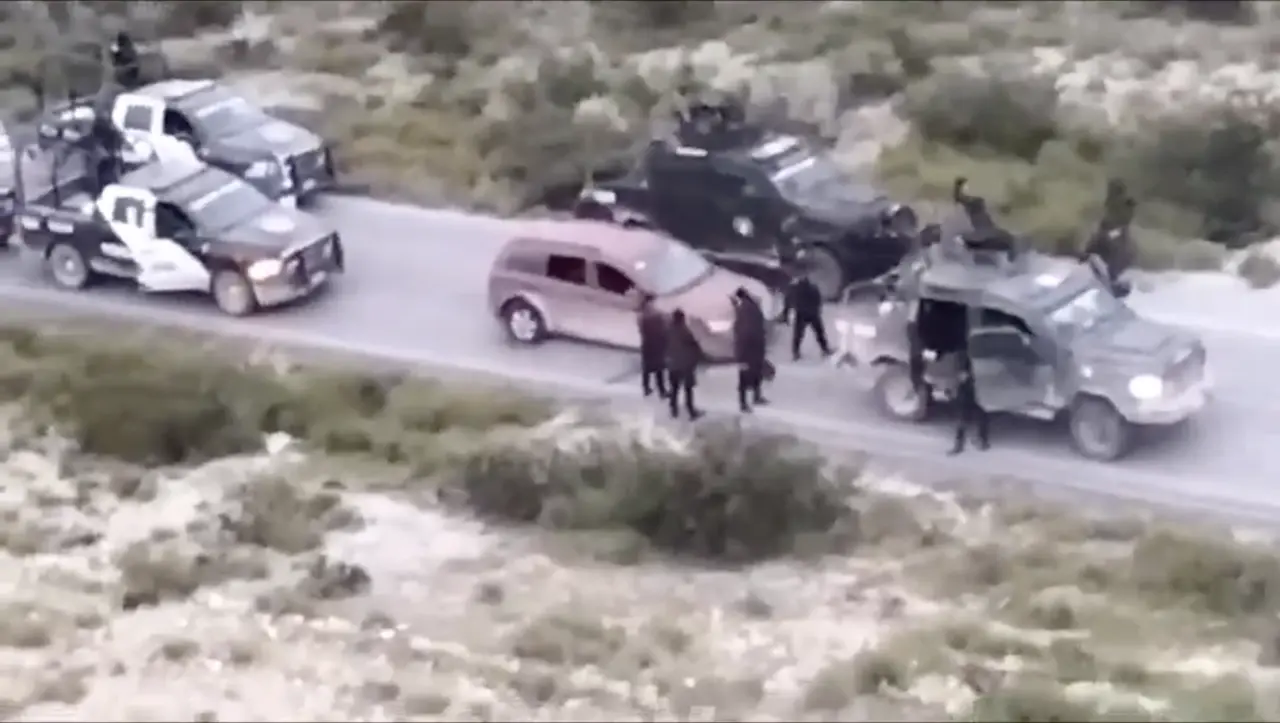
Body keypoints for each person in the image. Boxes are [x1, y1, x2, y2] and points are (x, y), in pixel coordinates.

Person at [731, 286, 769, 413]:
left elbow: (741, 331)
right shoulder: (753, 307)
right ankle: (757, 396)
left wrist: (739, 353)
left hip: (746, 349)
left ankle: (743, 403)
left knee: (743, 377)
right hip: (757, 347)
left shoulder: (743, 310)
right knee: (757, 373)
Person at [783, 266, 831, 360]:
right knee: (819, 333)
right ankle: (825, 350)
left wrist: (786, 314)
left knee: (798, 335)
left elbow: (788, 301)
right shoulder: (812, 288)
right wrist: (817, 310)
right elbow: (818, 300)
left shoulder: (794, 288)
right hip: (812, 313)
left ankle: (796, 353)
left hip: (802, 313)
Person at [665, 309, 704, 421]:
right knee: (688, 389)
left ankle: (674, 410)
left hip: (672, 364)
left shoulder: (668, 330)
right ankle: (691, 411)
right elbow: (693, 344)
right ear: (682, 319)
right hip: (685, 365)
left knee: (674, 388)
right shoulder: (684, 330)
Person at [950, 353, 990, 455]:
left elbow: (961, 367)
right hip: (979, 379)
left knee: (963, 413)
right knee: (980, 411)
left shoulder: (963, 347)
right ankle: (981, 440)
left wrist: (962, 373)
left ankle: (959, 444)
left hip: (969, 382)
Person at [636, 294, 669, 399]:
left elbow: (641, 330)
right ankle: (661, 391)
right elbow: (663, 326)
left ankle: (647, 388)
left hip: (649, 344)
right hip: (654, 343)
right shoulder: (655, 315)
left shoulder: (641, 315)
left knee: (648, 368)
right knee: (657, 368)